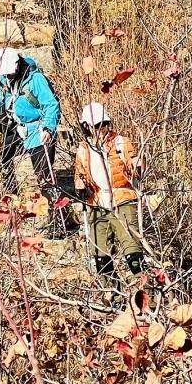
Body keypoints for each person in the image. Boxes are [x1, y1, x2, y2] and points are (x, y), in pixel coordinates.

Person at [0, 48, 64, 216]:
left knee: (44, 175)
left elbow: (51, 105)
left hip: (37, 128)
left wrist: (48, 128)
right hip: (13, 126)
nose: (7, 77)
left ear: (17, 66)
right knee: (3, 158)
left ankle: (57, 216)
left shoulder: (36, 80)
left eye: (9, 74)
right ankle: (12, 200)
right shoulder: (3, 77)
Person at [73, 101, 145, 282]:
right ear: (87, 126)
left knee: (133, 252)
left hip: (122, 199)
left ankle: (148, 298)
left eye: (105, 124)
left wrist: (137, 164)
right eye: (98, 125)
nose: (103, 128)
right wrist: (80, 184)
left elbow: (132, 160)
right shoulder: (83, 149)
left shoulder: (121, 142)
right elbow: (79, 173)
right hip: (96, 203)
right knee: (101, 257)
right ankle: (113, 298)